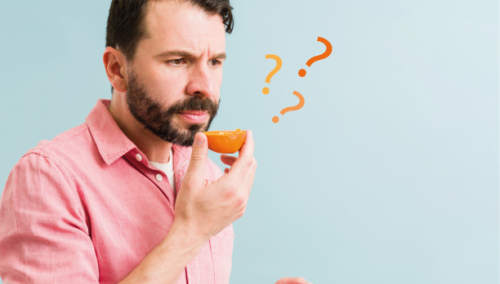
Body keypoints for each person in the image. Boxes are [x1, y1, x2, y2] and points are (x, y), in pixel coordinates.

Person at [0, 0, 311, 283]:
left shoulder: (209, 178)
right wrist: (192, 232)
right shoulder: (49, 180)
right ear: (117, 69)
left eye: (215, 62)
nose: (203, 86)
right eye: (178, 60)